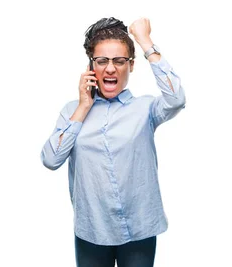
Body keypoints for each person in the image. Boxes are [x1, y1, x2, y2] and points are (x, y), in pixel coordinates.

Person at [40, 17, 185, 267]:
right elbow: (51, 159)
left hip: (140, 228)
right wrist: (84, 106)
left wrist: (145, 42)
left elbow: (176, 99)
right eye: (102, 61)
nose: (110, 69)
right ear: (90, 66)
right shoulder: (72, 111)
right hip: (92, 231)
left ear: (130, 66)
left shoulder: (146, 108)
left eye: (119, 61)